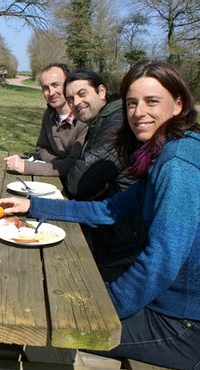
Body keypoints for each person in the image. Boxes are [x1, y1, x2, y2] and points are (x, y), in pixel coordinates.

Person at [0, 61, 200, 370]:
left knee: (44, 319)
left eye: (151, 101)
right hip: (178, 308)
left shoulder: (180, 162)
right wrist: (34, 207)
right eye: (132, 102)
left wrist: (101, 307)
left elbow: (162, 260)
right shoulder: (169, 150)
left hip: (194, 327)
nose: (138, 112)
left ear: (178, 104)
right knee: (55, 291)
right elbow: (108, 209)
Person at [62, 68, 145, 273]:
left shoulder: (117, 122)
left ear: (101, 91)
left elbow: (77, 182)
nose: (77, 102)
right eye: (71, 99)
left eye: (82, 94)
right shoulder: (103, 120)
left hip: (124, 245)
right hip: (109, 228)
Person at [5, 63, 87, 179]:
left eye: (55, 85)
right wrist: (57, 163)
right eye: (45, 88)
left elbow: (72, 165)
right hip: (56, 178)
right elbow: (42, 147)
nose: (51, 92)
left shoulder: (83, 119)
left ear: (68, 85)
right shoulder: (49, 114)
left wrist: (26, 166)